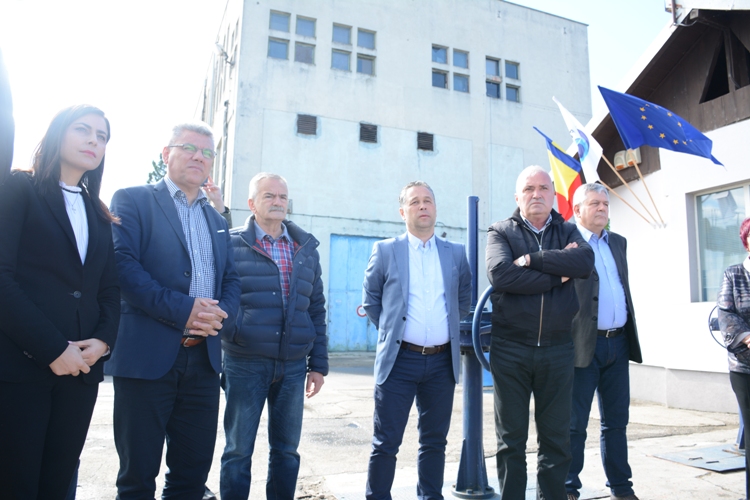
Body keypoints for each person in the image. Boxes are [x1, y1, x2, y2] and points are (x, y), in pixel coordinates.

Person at [106, 121, 241, 500]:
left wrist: (219, 315)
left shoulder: (216, 220)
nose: (199, 157)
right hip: (148, 359)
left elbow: (231, 279)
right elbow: (124, 267)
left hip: (203, 362)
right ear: (166, 154)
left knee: (190, 479)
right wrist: (185, 310)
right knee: (137, 478)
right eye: (189, 148)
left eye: (207, 152)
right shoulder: (132, 200)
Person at [0, 104, 120, 499]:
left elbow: (108, 289)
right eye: (83, 130)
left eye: (102, 136)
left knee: (56, 485)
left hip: (81, 375)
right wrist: (52, 348)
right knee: (16, 484)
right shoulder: (19, 188)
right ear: (57, 134)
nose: (93, 141)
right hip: (21, 369)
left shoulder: (98, 212)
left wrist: (103, 341)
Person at [485, 165, 594, 500]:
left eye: (544, 188)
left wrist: (532, 259)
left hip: (558, 349)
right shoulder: (500, 232)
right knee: (511, 441)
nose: (536, 194)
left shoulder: (569, 230)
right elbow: (501, 275)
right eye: (529, 189)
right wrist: (558, 275)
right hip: (510, 349)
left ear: (553, 196)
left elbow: (584, 263)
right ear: (517, 197)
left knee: (556, 441)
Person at [219, 172, 328, 500]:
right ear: (252, 204)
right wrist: (235, 332)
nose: (278, 201)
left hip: (293, 366)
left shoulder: (305, 248)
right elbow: (218, 297)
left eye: (282, 196)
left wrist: (318, 364)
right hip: (244, 362)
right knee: (238, 451)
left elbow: (316, 308)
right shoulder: (230, 244)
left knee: (286, 451)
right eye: (269, 196)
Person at [363, 180, 472, 500]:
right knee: (386, 442)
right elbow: (371, 300)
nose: (422, 206)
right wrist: (394, 333)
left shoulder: (456, 253)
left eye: (428, 201)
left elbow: (463, 298)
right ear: (402, 212)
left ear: (435, 208)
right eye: (414, 202)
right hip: (399, 362)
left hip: (441, 363)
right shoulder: (386, 250)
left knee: (435, 441)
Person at [566, 183, 642, 500]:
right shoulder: (566, 242)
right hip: (583, 346)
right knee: (574, 424)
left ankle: (621, 488)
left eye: (605, 204)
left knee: (616, 422)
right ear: (577, 209)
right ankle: (568, 487)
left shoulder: (617, 242)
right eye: (594, 203)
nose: (602, 209)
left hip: (618, 344)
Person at [718, 217, 750, 500]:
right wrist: (748, 337)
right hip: (745, 366)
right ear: (746, 241)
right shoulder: (734, 274)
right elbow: (725, 314)